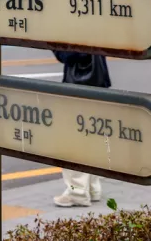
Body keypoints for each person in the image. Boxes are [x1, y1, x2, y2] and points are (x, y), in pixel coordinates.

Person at [52, 51, 111, 208]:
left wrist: (55, 45)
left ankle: (77, 192)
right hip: (98, 84)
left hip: (79, 87)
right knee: (91, 138)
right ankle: (92, 188)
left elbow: (67, 54)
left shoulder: (79, 33)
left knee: (73, 141)